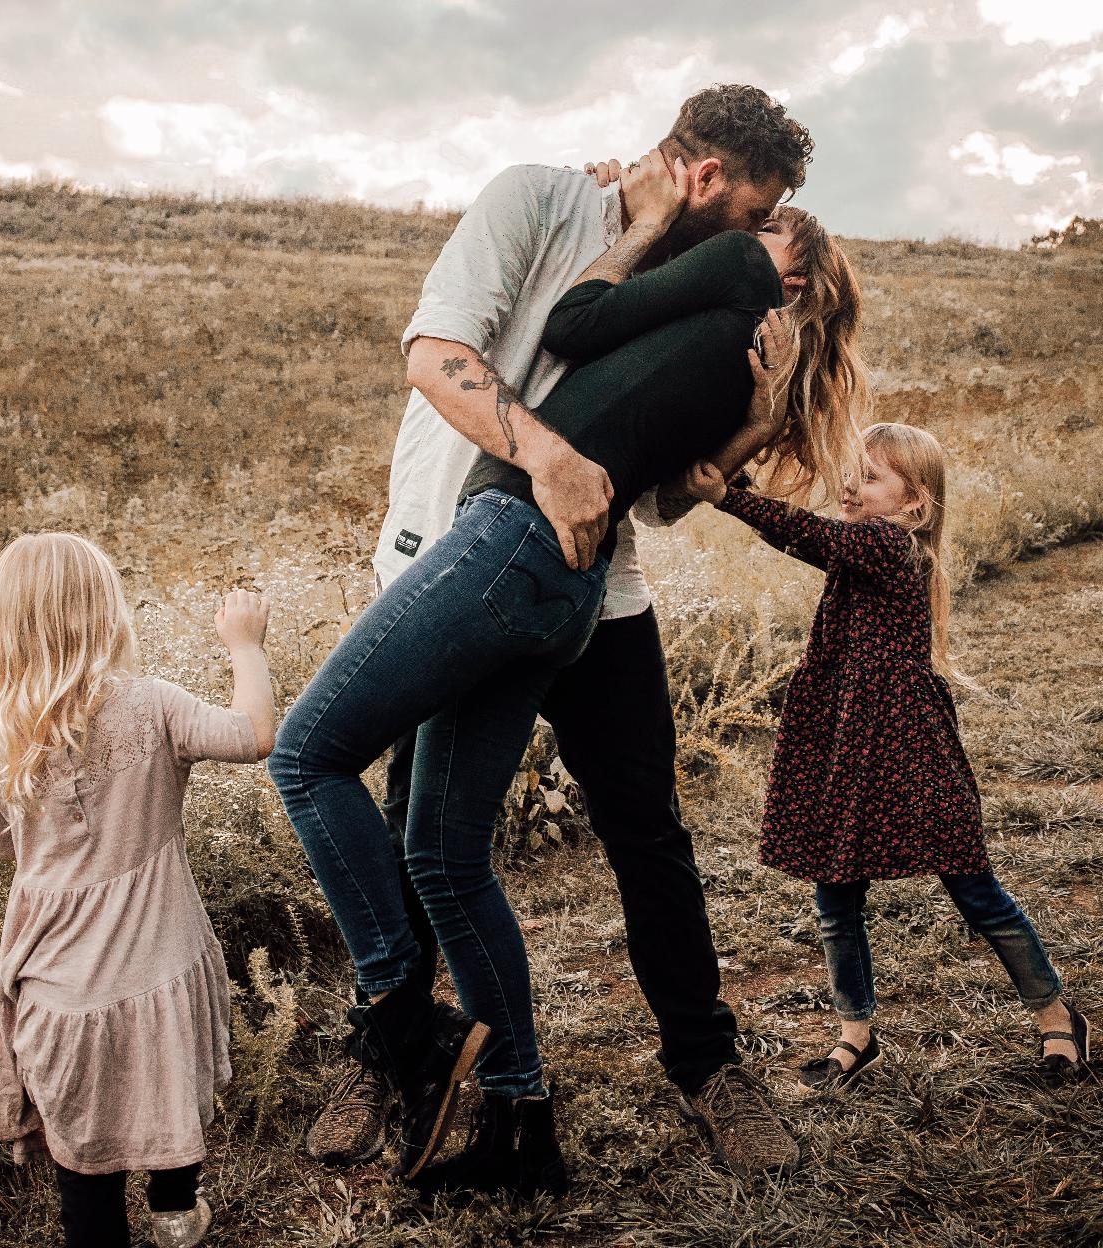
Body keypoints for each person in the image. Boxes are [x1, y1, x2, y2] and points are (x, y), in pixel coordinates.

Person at [272, 100, 871, 1192]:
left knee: (647, 830)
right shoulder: (538, 201)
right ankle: (394, 1052)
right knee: (426, 823)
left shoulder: (701, 283)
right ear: (704, 176)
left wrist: (758, 410)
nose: (763, 236)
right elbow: (435, 353)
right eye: (757, 209)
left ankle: (707, 1068)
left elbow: (660, 503)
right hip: (454, 552)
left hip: (598, 591)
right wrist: (546, 457)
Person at [679, 424, 1094, 1093]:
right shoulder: (864, 546)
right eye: (851, 470)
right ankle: (856, 1036)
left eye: (870, 477)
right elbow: (805, 535)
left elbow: (815, 537)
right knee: (836, 893)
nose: (850, 484)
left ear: (913, 506)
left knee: (974, 889)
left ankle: (1056, 1014)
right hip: (853, 748)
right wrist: (740, 486)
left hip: (908, 753)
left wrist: (727, 496)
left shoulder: (886, 544)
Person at [0, 533, 277, 1248]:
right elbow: (255, 734)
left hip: (57, 992)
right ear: (105, 614)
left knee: (85, 1156)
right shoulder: (152, 705)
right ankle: (174, 1215)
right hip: (158, 963)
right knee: (166, 1088)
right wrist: (245, 644)